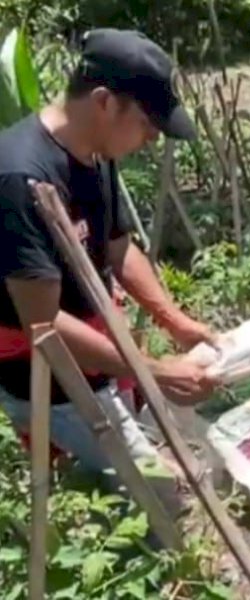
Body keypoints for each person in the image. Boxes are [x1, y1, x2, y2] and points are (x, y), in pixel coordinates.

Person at [0, 28, 220, 475]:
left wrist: (175, 322)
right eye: (147, 123)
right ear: (104, 102)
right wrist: (155, 371)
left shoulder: (95, 153)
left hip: (101, 351)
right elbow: (44, 324)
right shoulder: (19, 179)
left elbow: (117, 248)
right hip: (52, 379)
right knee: (159, 494)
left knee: (154, 462)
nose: (153, 137)